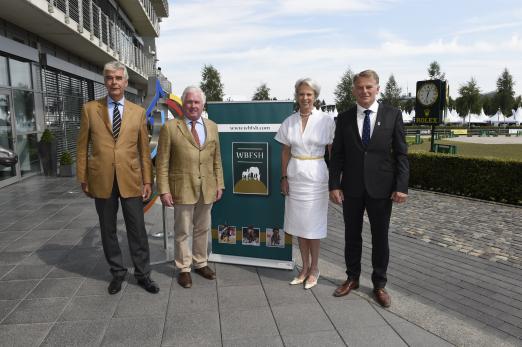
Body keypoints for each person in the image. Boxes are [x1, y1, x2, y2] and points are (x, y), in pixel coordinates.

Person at [76, 61, 159, 295]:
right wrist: (83, 177)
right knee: (107, 229)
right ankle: (117, 273)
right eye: (110, 78)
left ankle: (143, 275)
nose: (114, 82)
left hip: (131, 178)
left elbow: (144, 150)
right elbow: (82, 147)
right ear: (105, 81)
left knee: (137, 230)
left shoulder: (138, 112)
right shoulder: (90, 109)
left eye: (118, 78)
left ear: (125, 82)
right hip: (101, 179)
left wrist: (147, 181)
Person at [329, 69, 409, 307]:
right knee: (351, 235)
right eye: (360, 87)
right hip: (351, 189)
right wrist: (334, 184)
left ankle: (379, 284)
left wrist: (401, 186)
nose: (364, 91)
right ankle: (352, 278)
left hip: (381, 189)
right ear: (353, 90)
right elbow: (338, 156)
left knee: (380, 237)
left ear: (377, 88)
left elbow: (402, 154)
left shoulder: (393, 115)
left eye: (369, 87)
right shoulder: (343, 118)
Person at [156, 86, 225, 289]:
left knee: (203, 228)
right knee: (182, 230)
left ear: (203, 104)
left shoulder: (212, 126)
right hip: (182, 187)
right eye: (189, 102)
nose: (193, 105)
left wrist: (219, 183)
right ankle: (184, 268)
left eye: (196, 102)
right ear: (183, 104)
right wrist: (164, 190)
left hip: (207, 187)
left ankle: (201, 262)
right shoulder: (171, 127)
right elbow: (162, 162)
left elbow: (216, 159)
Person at [275, 78, 335, 290]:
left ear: (315, 96)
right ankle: (304, 267)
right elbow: (285, 151)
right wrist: (284, 178)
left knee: (313, 225)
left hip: (317, 177)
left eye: (309, 94)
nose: (305, 97)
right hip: (295, 177)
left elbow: (332, 151)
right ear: (297, 96)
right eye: (301, 93)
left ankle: (315, 268)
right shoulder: (289, 121)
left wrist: (336, 181)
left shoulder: (326, 120)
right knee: (299, 224)